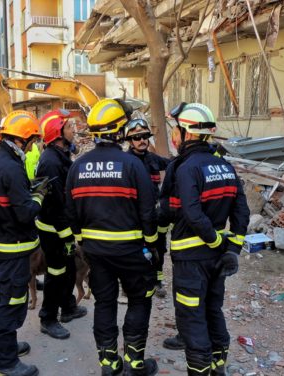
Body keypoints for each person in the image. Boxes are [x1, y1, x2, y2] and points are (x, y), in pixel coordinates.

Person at [66, 98, 159, 376]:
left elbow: (71, 213)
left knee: (104, 303)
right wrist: (151, 245)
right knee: (139, 301)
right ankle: (134, 364)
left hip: (96, 252)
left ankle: (109, 365)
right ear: (120, 132)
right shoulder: (132, 165)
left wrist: (83, 241)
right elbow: (147, 212)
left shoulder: (77, 166)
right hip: (132, 251)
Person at [158, 103, 249, 376]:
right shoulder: (225, 167)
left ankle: (200, 371)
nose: (174, 137)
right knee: (213, 311)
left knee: (192, 319)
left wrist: (214, 242)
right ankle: (218, 367)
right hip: (217, 259)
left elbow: (193, 214)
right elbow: (242, 213)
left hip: (191, 261)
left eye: (176, 130)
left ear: (187, 133)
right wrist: (232, 249)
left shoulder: (187, 168)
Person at [0, 110, 45, 376]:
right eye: (32, 142)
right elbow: (26, 213)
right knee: (12, 302)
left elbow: (1, 197)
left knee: (1, 295)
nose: (33, 147)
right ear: (22, 141)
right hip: (13, 248)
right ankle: (5, 364)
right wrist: (38, 196)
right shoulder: (12, 168)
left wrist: (25, 192)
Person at [35, 110, 87, 340]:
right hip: (54, 231)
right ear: (57, 134)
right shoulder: (50, 163)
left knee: (68, 268)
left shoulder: (60, 156)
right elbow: (56, 205)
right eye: (68, 127)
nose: (72, 131)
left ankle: (68, 307)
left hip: (61, 229)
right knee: (55, 273)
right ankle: (48, 318)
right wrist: (68, 235)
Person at [123, 119, 171, 298]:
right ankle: (129, 284)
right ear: (129, 140)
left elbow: (173, 164)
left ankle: (157, 281)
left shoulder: (153, 159)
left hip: (155, 215)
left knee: (159, 249)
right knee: (133, 250)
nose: (142, 140)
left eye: (144, 136)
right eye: (137, 137)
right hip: (133, 218)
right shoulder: (125, 162)